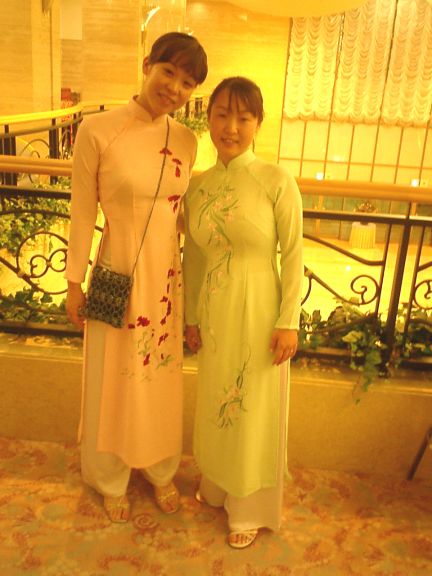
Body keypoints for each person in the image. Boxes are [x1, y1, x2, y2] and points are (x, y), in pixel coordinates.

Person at [65, 32, 208, 523]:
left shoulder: (187, 141)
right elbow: (82, 211)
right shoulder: (98, 130)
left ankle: (159, 469)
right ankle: (109, 476)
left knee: (159, 377)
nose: (174, 88)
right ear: (147, 65)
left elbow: (181, 213)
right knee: (112, 377)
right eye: (168, 72)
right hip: (116, 271)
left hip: (166, 279)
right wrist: (73, 283)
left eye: (187, 83)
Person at [183, 77, 303, 549]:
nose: (230, 128)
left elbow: (293, 254)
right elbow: (194, 258)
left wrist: (288, 321)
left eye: (243, 118)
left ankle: (250, 507)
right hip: (215, 311)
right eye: (221, 115)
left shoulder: (276, 180)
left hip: (259, 310)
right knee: (217, 397)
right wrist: (191, 316)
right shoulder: (198, 187)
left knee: (252, 406)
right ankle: (217, 484)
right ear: (208, 118)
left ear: (258, 123)